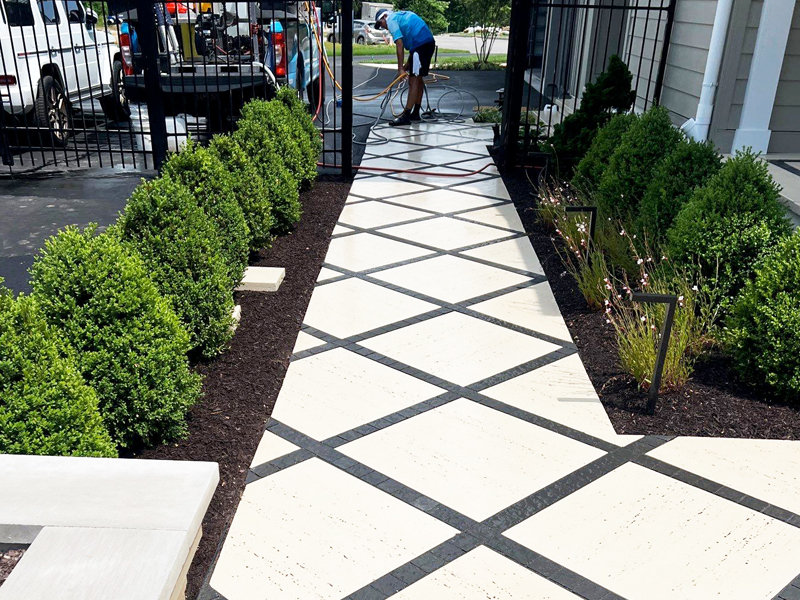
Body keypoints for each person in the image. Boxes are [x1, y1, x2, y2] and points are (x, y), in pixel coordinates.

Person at [374, 8, 435, 126]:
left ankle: (406, 116)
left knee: (413, 80)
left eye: (380, 23)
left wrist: (400, 69)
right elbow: (413, 50)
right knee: (418, 78)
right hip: (425, 43)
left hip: (421, 44)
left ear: (385, 16)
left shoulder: (391, 20)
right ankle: (415, 113)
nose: (383, 27)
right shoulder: (399, 16)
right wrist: (406, 65)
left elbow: (400, 45)